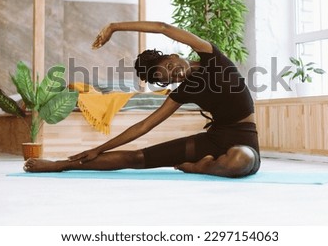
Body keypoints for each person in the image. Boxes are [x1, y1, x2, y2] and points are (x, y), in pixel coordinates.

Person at [23, 21, 260, 178]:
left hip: (244, 138)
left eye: (170, 65)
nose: (175, 72)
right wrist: (99, 148)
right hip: (213, 141)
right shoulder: (184, 90)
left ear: (174, 55)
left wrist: (114, 27)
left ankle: (201, 167)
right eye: (169, 78)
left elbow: (163, 27)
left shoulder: (213, 58)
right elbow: (145, 125)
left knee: (241, 160)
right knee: (135, 158)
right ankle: (61, 164)